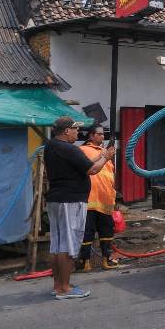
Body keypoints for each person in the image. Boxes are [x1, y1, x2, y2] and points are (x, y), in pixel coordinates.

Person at [45, 116, 115, 299]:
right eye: (75, 129)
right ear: (67, 131)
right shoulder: (69, 149)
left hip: (56, 199)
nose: (78, 132)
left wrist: (101, 155)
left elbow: (86, 164)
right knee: (68, 246)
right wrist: (106, 158)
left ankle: (58, 285)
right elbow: (92, 170)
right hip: (71, 201)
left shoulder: (51, 146)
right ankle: (65, 288)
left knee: (57, 245)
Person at [77, 125, 119, 271]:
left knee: (106, 232)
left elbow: (110, 174)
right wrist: (104, 155)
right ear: (91, 136)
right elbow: (88, 168)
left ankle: (107, 260)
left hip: (105, 198)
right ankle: (84, 262)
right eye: (99, 134)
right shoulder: (83, 150)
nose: (102, 137)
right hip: (89, 199)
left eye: (103, 134)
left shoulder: (105, 152)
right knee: (86, 232)